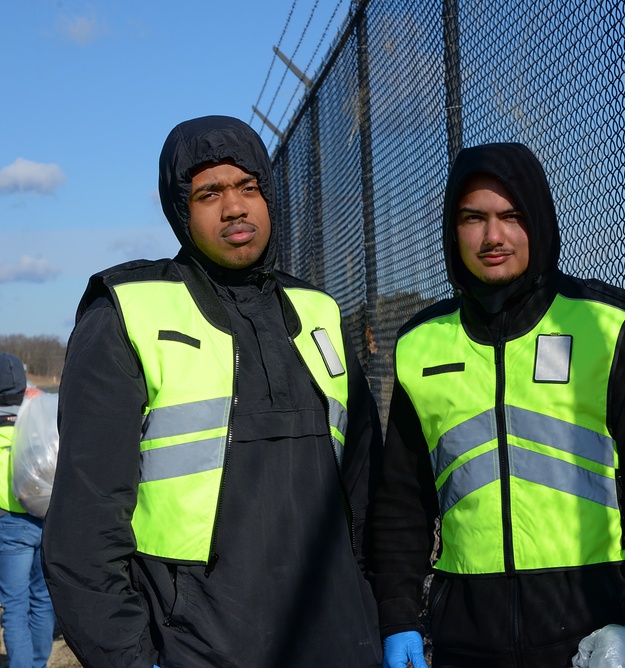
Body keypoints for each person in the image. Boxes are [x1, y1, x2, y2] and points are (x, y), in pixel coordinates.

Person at [42, 115, 383, 668]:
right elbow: (84, 531)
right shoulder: (128, 314)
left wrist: (383, 618)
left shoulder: (319, 313)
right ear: (180, 210)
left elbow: (369, 490)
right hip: (198, 649)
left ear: (269, 195)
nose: (234, 207)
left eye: (248, 187)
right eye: (209, 193)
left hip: (340, 642)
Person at [369, 142, 625, 668]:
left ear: (539, 221)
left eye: (511, 216)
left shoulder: (609, 327)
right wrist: (397, 615)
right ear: (453, 231)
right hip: (465, 640)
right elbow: (401, 504)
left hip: (594, 637)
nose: (493, 236)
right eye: (473, 218)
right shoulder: (420, 345)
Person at [0, 352, 55, 668]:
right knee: (42, 598)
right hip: (43, 517)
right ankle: (38, 662)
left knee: (15, 605)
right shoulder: (37, 417)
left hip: (10, 525)